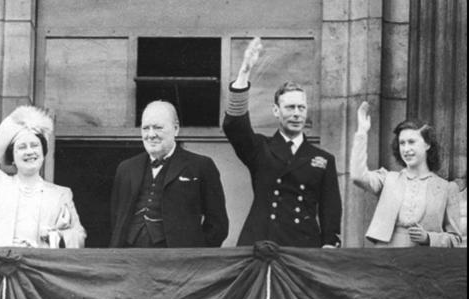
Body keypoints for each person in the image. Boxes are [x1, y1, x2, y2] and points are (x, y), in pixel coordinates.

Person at [223, 38, 342, 248]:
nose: (296, 114)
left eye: (301, 108)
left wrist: (329, 244)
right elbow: (235, 127)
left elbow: (330, 209)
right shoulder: (260, 149)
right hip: (261, 243)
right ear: (276, 111)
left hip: (303, 246)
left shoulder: (323, 159)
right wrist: (244, 72)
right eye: (290, 108)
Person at [0, 87, 85, 248]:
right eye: (22, 147)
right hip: (0, 269)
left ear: (43, 152)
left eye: (34, 145)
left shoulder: (61, 194)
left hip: (38, 270)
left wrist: (55, 237)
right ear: (12, 157)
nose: (29, 152)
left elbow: (79, 237)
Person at [110, 100, 228, 248]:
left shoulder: (201, 166)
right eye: (145, 128)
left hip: (177, 263)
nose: (151, 135)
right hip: (130, 257)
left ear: (176, 129)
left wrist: (195, 257)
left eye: (158, 128)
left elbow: (218, 225)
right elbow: (116, 217)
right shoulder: (126, 168)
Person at [351, 101, 462, 247]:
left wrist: (429, 238)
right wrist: (362, 132)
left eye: (411, 142)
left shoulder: (447, 188)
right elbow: (358, 176)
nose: (406, 148)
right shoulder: (388, 179)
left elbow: (456, 239)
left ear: (427, 144)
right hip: (386, 258)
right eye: (402, 143)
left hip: (424, 263)